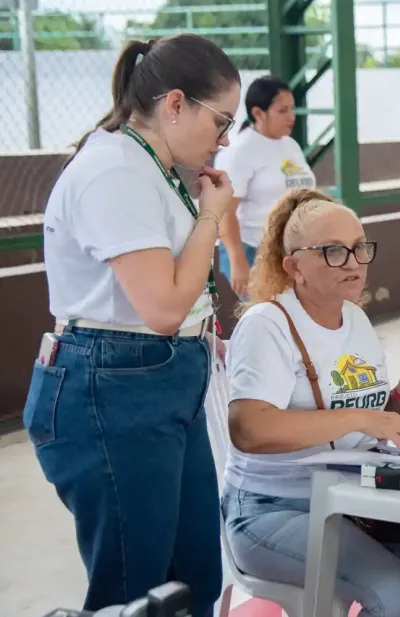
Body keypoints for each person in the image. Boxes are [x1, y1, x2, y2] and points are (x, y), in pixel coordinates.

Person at [22, 35, 241, 615]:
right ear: (175, 104)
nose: (224, 140)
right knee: (134, 589)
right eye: (221, 121)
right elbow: (164, 307)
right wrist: (214, 218)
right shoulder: (115, 169)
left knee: (193, 576)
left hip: (163, 383)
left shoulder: (159, 168)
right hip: (111, 385)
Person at [223, 189, 400, 617]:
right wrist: (363, 416)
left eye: (360, 248)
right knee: (399, 594)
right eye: (334, 252)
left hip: (351, 498)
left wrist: (399, 398)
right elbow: (251, 429)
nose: (355, 262)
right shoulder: (268, 325)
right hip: (273, 508)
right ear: (294, 266)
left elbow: (360, 424)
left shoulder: (355, 319)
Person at [215, 76, 316, 298]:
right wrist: (237, 260)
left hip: (291, 248)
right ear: (258, 113)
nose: (291, 117)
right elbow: (224, 210)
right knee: (269, 317)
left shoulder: (290, 145)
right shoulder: (241, 151)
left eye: (292, 109)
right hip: (254, 250)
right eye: (282, 111)